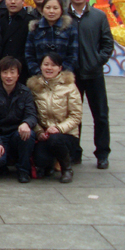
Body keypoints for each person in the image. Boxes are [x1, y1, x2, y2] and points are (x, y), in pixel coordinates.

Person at [67, 0, 114, 168]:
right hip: (72, 76)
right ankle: (74, 152)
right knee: (73, 116)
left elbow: (107, 43)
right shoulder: (63, 17)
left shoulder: (98, 16)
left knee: (100, 115)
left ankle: (102, 153)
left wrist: (97, 61)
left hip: (94, 74)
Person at [28, 53, 83, 183]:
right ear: (41, 66)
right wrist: (39, 132)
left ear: (60, 68)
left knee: (55, 140)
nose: (49, 68)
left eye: (53, 65)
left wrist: (59, 128)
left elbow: (76, 116)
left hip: (66, 134)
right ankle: (50, 163)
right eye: (46, 64)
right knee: (40, 161)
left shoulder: (69, 86)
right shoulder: (34, 88)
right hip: (45, 134)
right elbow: (31, 114)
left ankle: (66, 168)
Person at [0, 57, 37, 183]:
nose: (9, 76)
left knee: (29, 134)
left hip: (16, 134)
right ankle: (3, 164)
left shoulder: (25, 92)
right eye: (5, 72)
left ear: (18, 74)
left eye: (12, 72)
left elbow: (32, 115)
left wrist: (26, 123)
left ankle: (23, 170)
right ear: (0, 74)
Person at [25, 0, 78, 77]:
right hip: (39, 78)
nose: (51, 11)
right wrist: (39, 73)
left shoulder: (69, 29)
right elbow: (29, 55)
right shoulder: (35, 29)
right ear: (42, 10)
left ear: (61, 10)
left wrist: (60, 74)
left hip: (63, 78)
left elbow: (73, 56)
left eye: (55, 8)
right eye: (48, 8)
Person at [0, 0, 36, 83]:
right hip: (2, 70)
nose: (13, 2)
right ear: (5, 0)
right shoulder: (0, 20)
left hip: (22, 71)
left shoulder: (30, 21)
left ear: (23, 0)